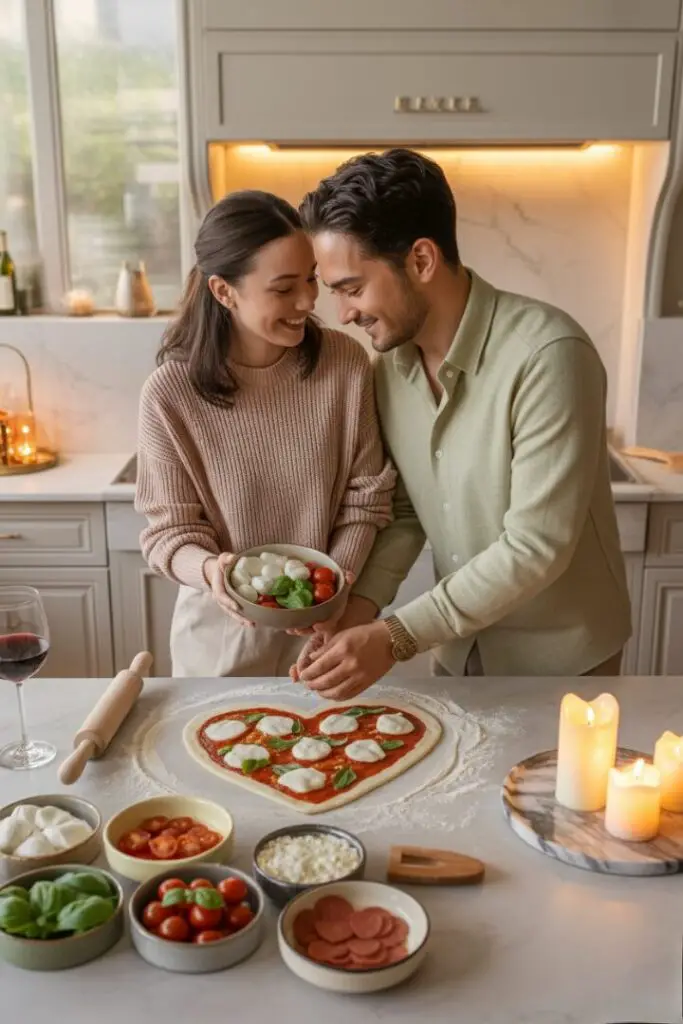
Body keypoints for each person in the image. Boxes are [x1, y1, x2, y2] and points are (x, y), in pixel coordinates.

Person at [294, 148, 631, 699]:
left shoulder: (547, 354)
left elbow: (535, 545)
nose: (343, 315)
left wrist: (397, 636)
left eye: (352, 288)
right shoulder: (390, 370)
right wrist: (356, 613)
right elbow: (407, 513)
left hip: (564, 666)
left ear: (421, 261)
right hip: (456, 649)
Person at [135, 190, 395, 677]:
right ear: (223, 291)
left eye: (310, 279)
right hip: (218, 644)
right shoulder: (170, 393)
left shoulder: (345, 365)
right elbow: (168, 533)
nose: (307, 301)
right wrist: (213, 572)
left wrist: (331, 594)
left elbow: (367, 499)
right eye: (283, 289)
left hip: (326, 636)